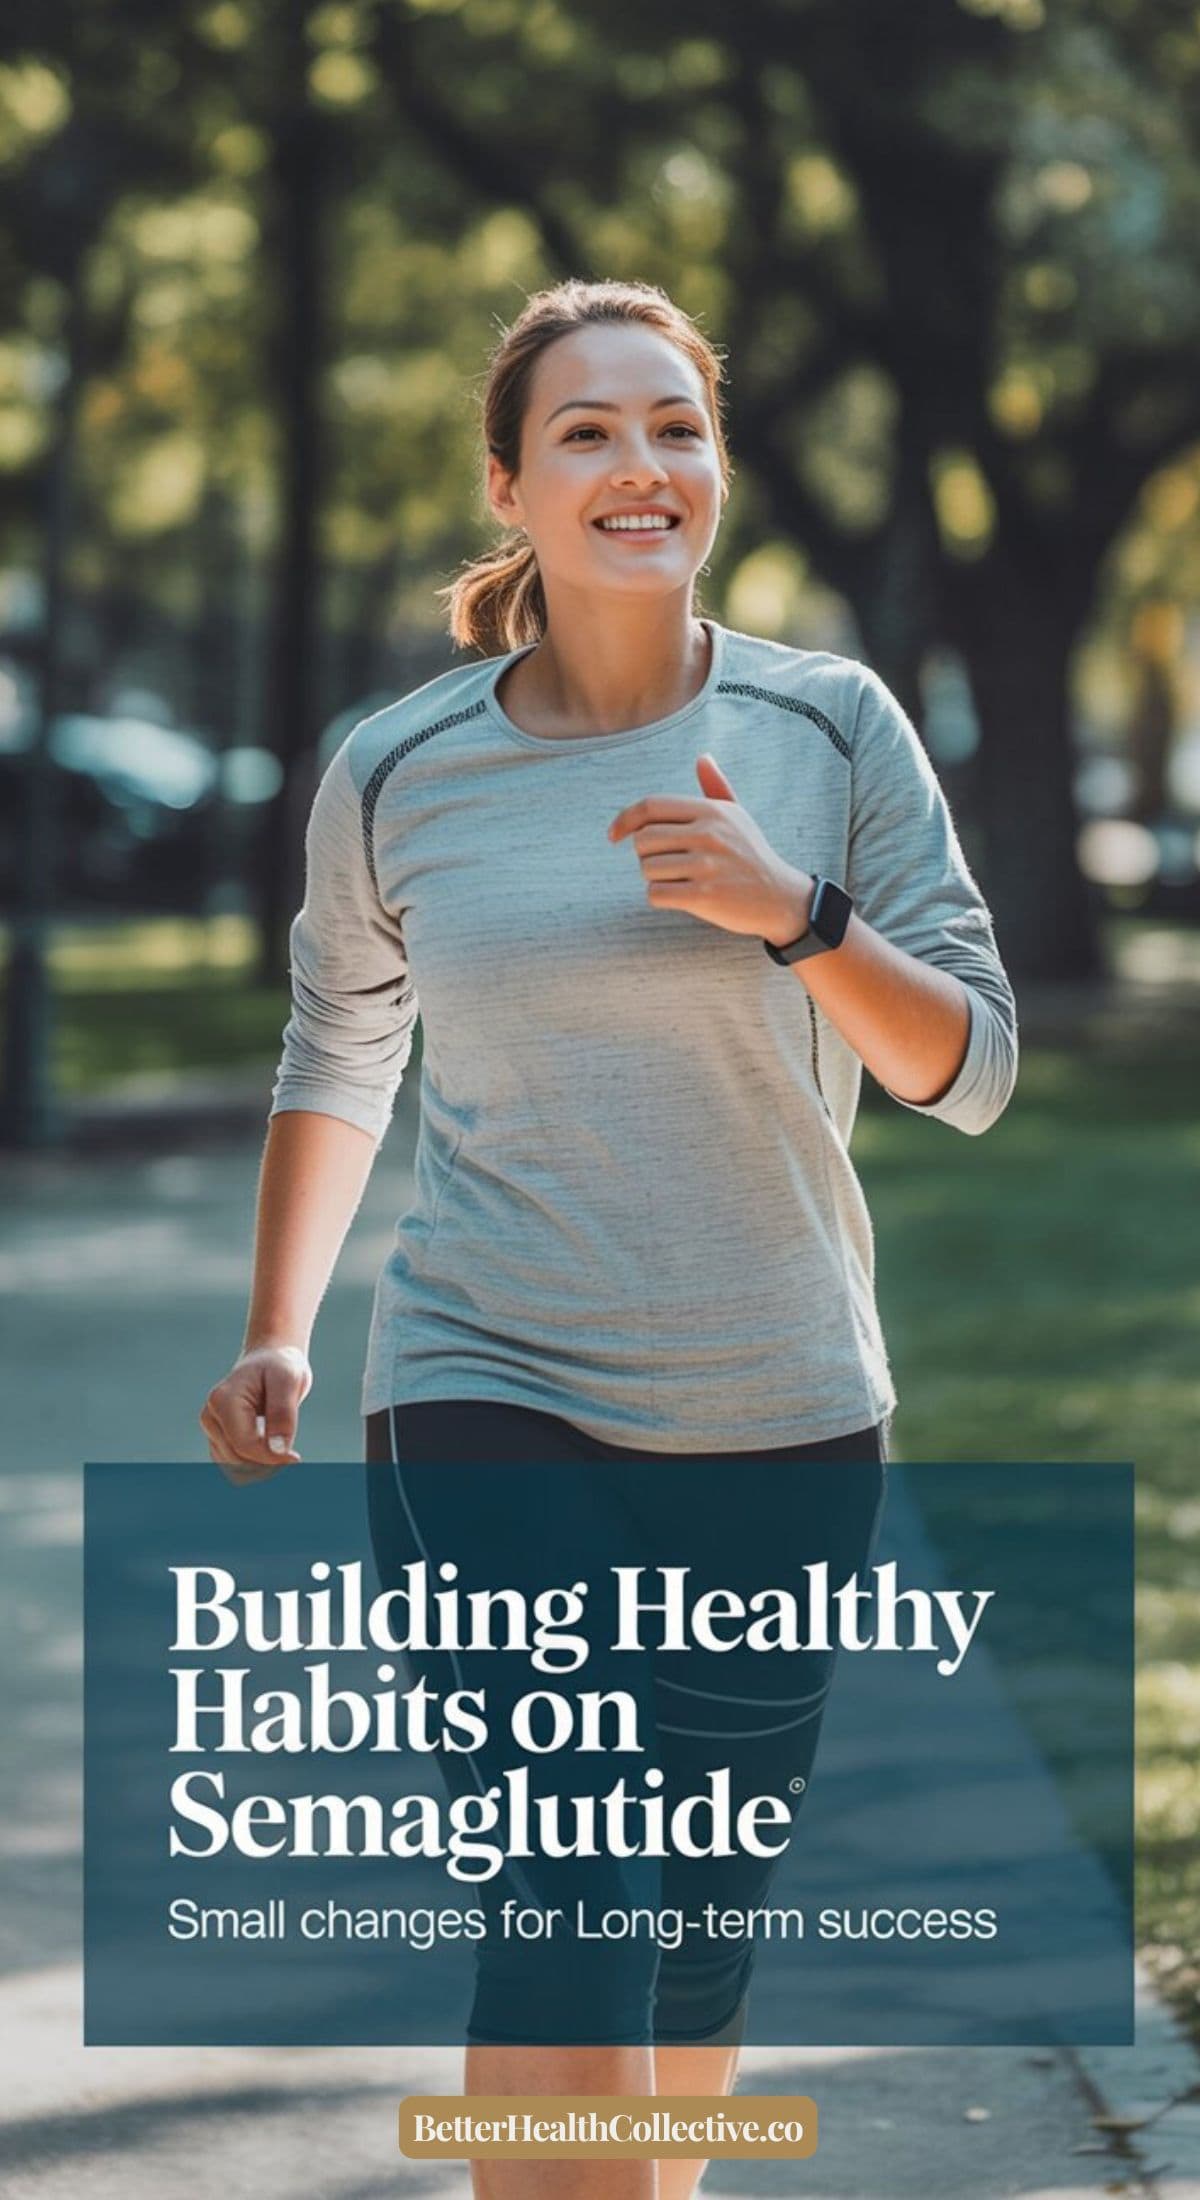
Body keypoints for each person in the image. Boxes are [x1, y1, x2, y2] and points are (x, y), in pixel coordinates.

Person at [202, 276, 1018, 2198]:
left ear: (715, 470)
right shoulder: (398, 767)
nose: (640, 463)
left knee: (696, 1932)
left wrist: (793, 911)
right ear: (512, 486)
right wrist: (283, 1326)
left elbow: (971, 1073)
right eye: (589, 429)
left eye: (676, 426)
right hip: (484, 1380)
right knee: (570, 1880)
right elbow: (341, 1042)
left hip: (782, 1401)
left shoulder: (828, 728)